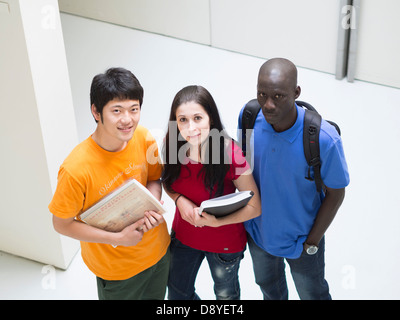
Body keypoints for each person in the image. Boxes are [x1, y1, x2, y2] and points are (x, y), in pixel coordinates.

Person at [48, 67, 170, 300]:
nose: (127, 119)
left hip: (159, 252)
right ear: (96, 111)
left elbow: (155, 177)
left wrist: (152, 205)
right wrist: (118, 239)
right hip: (117, 271)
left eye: (134, 109)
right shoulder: (75, 169)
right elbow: (61, 224)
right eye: (117, 110)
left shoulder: (143, 136)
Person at [238, 58, 350, 300]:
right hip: (259, 236)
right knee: (269, 288)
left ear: (296, 92)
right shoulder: (248, 117)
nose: (267, 105)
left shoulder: (324, 140)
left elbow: (336, 194)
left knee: (313, 294)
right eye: (262, 94)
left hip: (302, 242)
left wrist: (311, 243)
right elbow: (242, 168)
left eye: (278, 96)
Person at [162, 85, 261, 300]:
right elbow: (167, 182)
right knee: (178, 293)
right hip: (184, 237)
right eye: (182, 120)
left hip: (224, 243)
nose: (190, 128)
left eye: (198, 118)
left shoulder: (231, 154)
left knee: (226, 297)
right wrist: (179, 200)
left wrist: (216, 223)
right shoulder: (172, 146)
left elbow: (255, 207)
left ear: (211, 119)